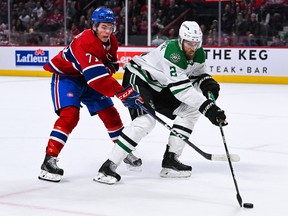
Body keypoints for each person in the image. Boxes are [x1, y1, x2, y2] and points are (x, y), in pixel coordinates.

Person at [94, 21, 227, 185]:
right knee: (145, 122)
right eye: (189, 43)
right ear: (180, 40)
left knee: (191, 111)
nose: (192, 47)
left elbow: (199, 74)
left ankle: (171, 161)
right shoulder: (172, 53)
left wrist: (208, 84)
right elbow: (183, 91)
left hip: (160, 85)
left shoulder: (198, 53)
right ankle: (108, 167)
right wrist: (210, 108)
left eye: (196, 43)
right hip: (139, 78)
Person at [38, 7, 143, 183]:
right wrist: (120, 91)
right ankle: (49, 160)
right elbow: (97, 78)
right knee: (70, 116)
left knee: (110, 114)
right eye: (103, 27)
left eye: (110, 27)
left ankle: (123, 151)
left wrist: (106, 72)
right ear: (94, 26)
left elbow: (111, 65)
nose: (107, 31)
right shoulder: (86, 41)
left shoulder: (112, 41)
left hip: (89, 79)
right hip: (67, 78)